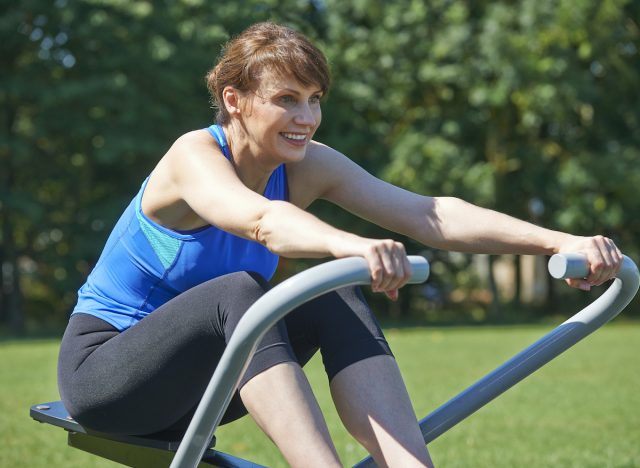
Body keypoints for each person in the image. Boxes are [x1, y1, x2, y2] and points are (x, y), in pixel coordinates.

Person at [57, 22, 623, 468]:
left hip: (200, 387)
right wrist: (350, 246)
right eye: (286, 99)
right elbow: (261, 222)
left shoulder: (304, 164)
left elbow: (429, 215)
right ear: (235, 99)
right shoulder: (192, 158)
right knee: (242, 290)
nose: (305, 118)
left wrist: (559, 239)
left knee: (332, 293)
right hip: (107, 377)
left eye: (314, 99)